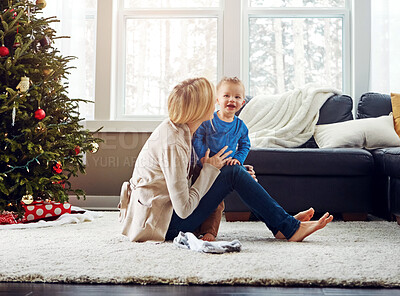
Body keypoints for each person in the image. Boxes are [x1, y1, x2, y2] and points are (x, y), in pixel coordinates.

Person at [118, 77, 333, 243]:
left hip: (163, 213)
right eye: (210, 99)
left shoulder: (182, 129)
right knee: (233, 174)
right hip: (163, 224)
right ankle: (288, 227)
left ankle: (283, 224)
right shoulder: (173, 143)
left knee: (236, 173)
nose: (214, 103)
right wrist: (211, 171)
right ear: (199, 108)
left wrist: (225, 173)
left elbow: (188, 176)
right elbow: (184, 209)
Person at [193, 77, 250, 241]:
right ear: (217, 100)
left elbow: (245, 144)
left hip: (224, 170)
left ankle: (210, 231)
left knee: (217, 203)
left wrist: (238, 159)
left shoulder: (240, 126)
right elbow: (197, 138)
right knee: (198, 197)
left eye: (237, 97)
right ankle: (195, 227)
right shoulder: (209, 121)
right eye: (226, 95)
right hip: (204, 168)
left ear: (242, 103)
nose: (232, 99)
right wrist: (205, 158)